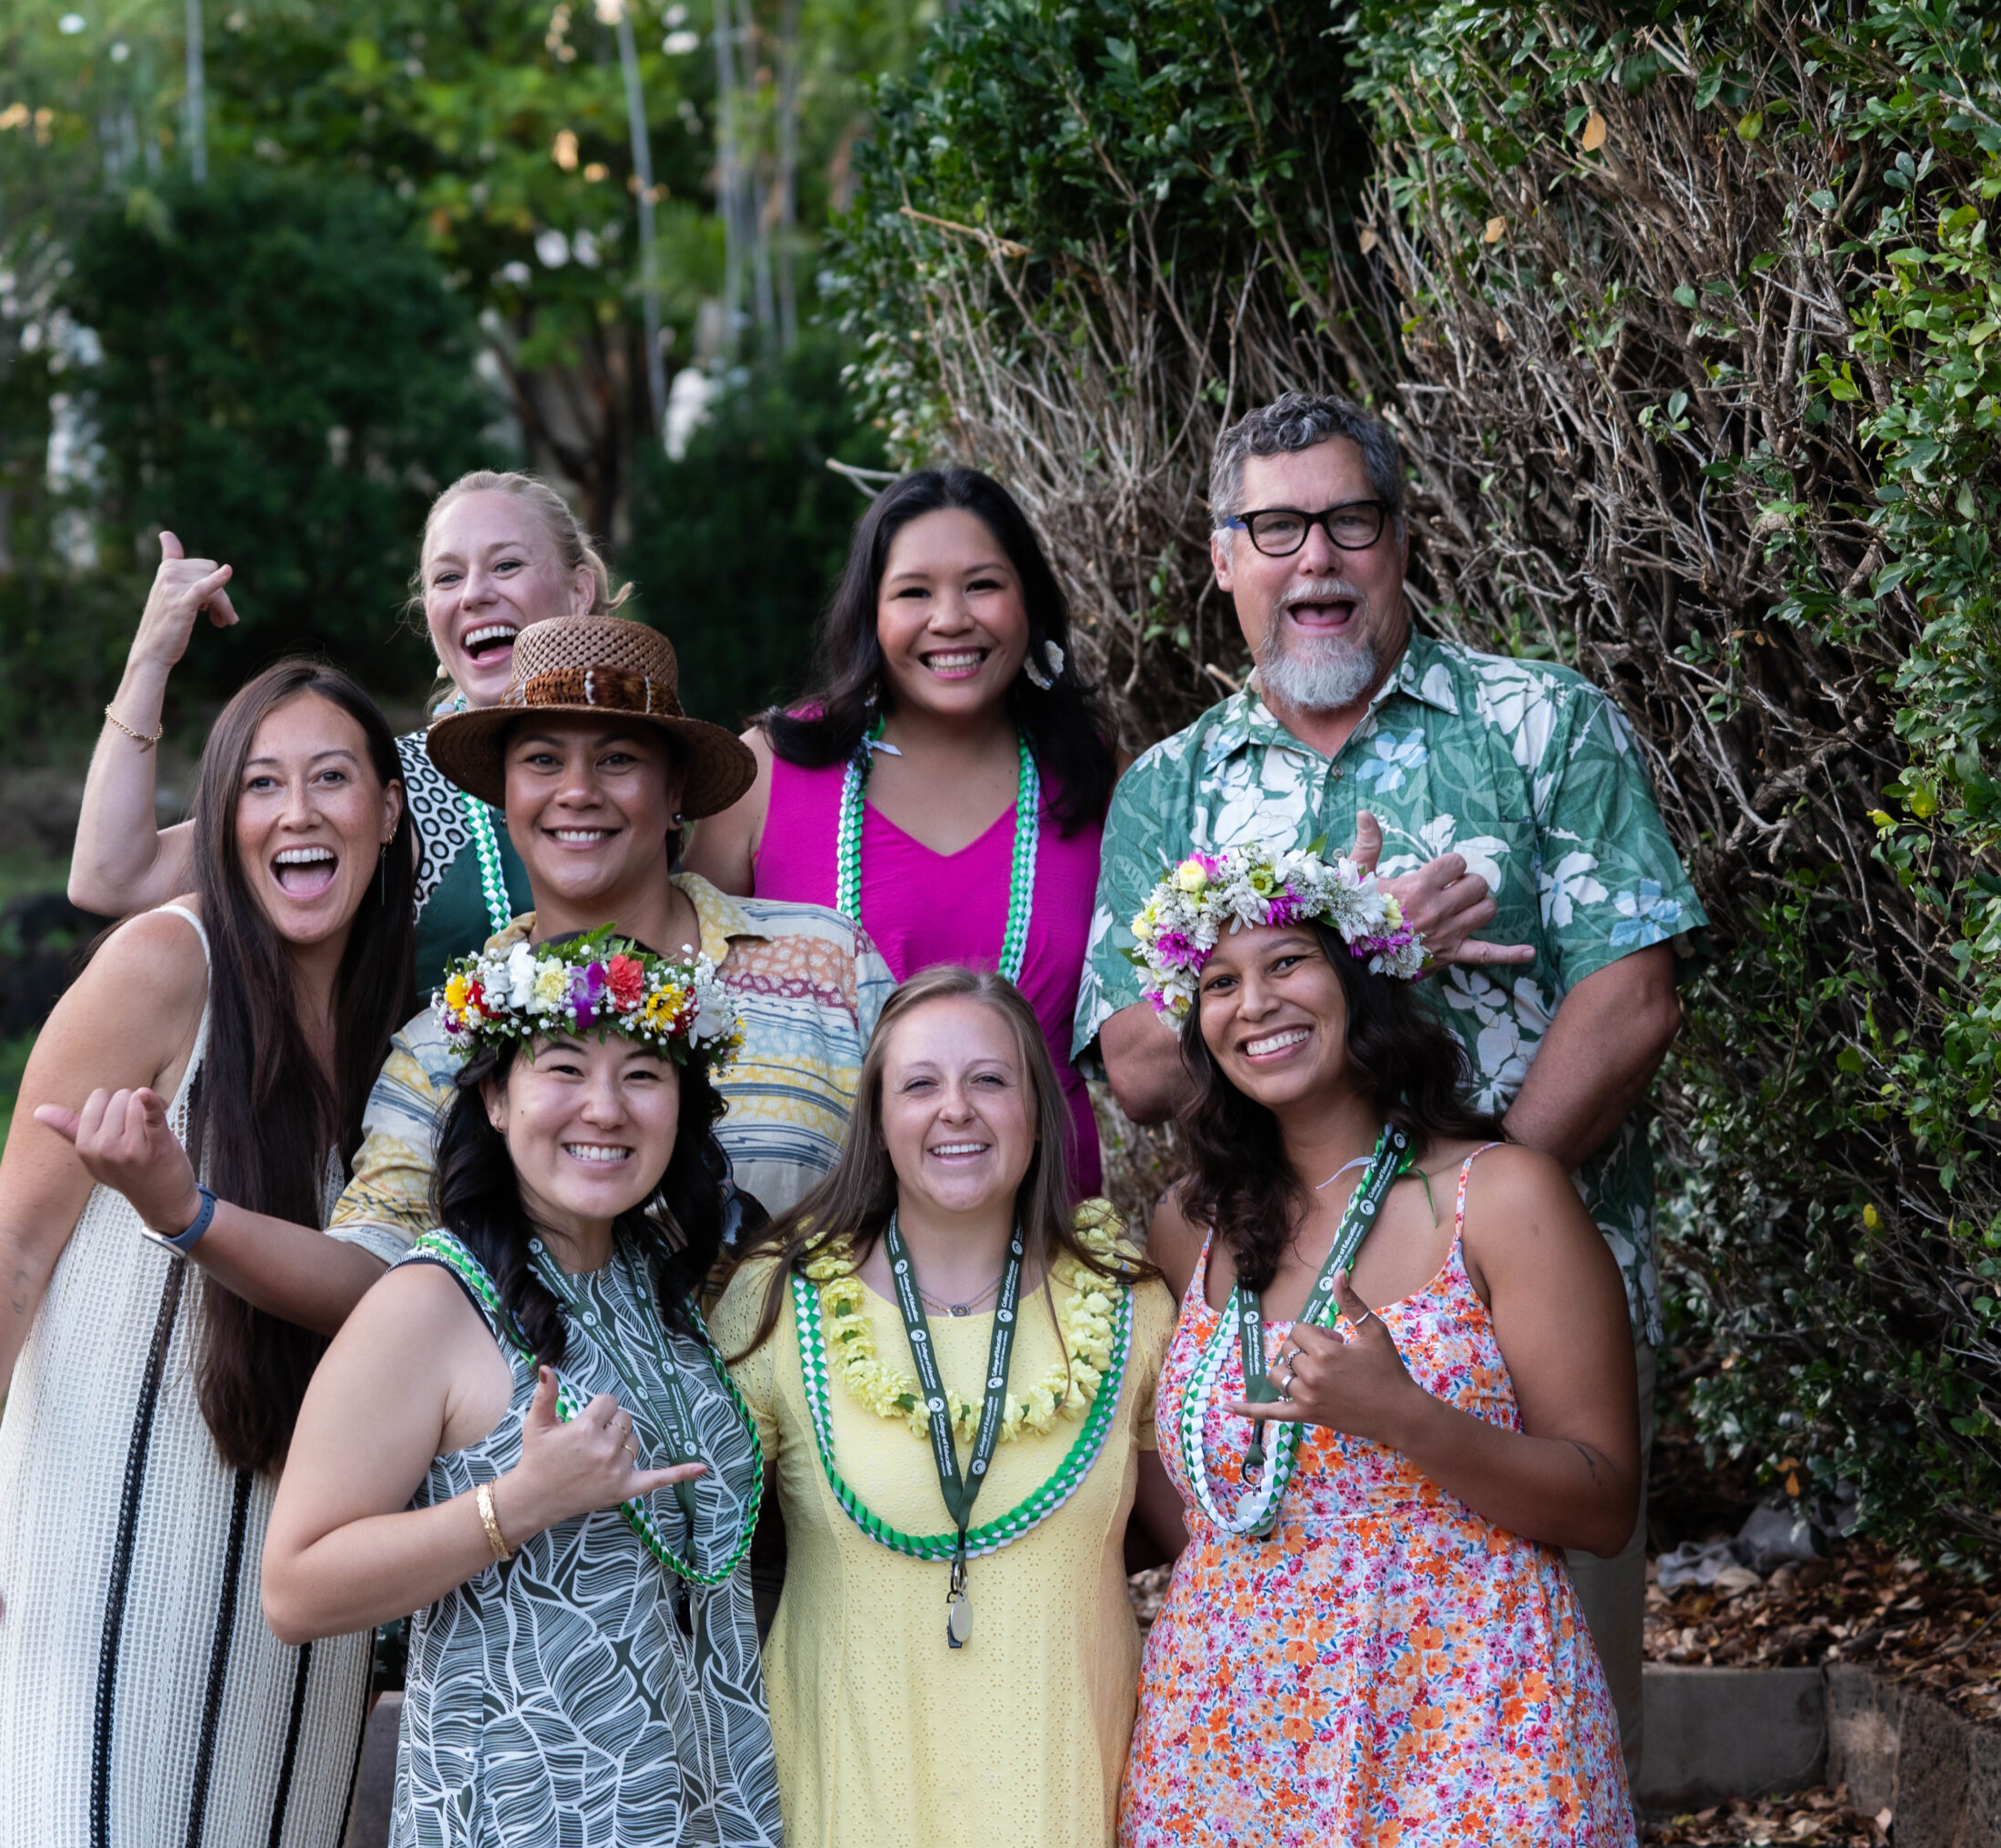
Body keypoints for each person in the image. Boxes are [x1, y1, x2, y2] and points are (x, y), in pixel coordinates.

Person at [1076, 390, 1702, 1771]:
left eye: (1349, 520)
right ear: (1224, 558)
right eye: (1276, 527)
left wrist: (1471, 1222)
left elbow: (1632, 993)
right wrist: (1364, 941)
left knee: (1529, 1751)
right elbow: (1130, 1056)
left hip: (1521, 1360)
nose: (1316, 560)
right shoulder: (1173, 790)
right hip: (1271, 1353)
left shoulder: (1540, 724)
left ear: (1401, 537)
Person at [0, 660, 417, 1846]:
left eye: (333, 779)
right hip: (106, 1542)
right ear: (222, 822)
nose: (298, 813)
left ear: (388, 812)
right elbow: (15, 1244)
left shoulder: (405, 1021)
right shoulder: (161, 967)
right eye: (263, 784)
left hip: (301, 1564)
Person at [1115, 844, 1635, 1844]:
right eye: (1218, 981)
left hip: (1473, 1712)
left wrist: (1404, 1417)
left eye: (1286, 962)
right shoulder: (1191, 1226)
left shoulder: (1500, 1196)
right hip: (1227, 1729)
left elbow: (1604, 1502)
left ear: (1360, 977)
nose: (1253, 1001)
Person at [261, 932, 781, 1848]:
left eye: (644, 1075)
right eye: (566, 1067)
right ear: (496, 1096)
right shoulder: (428, 1302)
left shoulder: (656, 1275)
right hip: (528, 1811)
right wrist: (517, 1503)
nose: (605, 1107)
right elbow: (296, 1588)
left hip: (702, 1807)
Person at [709, 965, 1178, 1848]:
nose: (954, 1107)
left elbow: (1212, 1547)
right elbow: (691, 1545)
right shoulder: (777, 1301)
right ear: (878, 1120)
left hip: (1063, 1792)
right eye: (919, 1083)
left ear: (1036, 1110)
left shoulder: (1131, 1303)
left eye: (988, 1079)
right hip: (845, 1795)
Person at [327, 614, 894, 1272]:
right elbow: (372, 1263)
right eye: (542, 760)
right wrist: (194, 1217)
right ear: (504, 795)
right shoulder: (447, 1037)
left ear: (675, 787)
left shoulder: (829, 962)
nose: (577, 791)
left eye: (617, 759)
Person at [687, 467, 1116, 1200]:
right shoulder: (770, 770)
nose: (950, 618)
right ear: (869, 614)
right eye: (914, 592)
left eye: (982, 584)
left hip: (1047, 1230)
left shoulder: (1095, 779)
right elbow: (678, 1003)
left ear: (1030, 603)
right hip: (815, 1230)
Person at [69, 470, 622, 979]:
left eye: (506, 565)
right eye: (448, 577)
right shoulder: (391, 784)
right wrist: (149, 660)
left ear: (579, 592)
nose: (475, 594)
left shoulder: (653, 764)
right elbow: (114, 877)